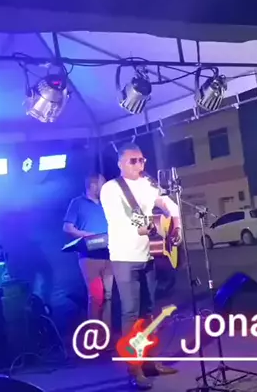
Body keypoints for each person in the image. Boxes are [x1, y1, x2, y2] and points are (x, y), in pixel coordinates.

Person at [99, 142, 181, 390]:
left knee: (149, 313)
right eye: (132, 161)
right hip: (124, 257)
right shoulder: (111, 188)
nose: (139, 164)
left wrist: (175, 224)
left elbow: (168, 203)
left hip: (148, 255)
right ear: (120, 164)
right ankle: (134, 369)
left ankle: (150, 363)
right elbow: (121, 220)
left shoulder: (147, 183)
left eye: (142, 160)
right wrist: (145, 228)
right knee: (130, 314)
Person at [63, 174, 113, 339]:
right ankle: (95, 337)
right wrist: (88, 235)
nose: (105, 188)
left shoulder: (107, 203)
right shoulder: (77, 203)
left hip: (108, 254)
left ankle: (106, 335)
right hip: (89, 257)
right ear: (93, 186)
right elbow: (68, 227)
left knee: (108, 296)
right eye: (102, 184)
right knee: (96, 296)